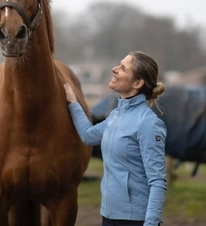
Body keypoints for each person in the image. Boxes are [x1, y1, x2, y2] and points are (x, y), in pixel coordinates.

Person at [64, 51, 167, 226]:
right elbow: (88, 136)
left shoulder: (148, 124)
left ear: (137, 83)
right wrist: (73, 103)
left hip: (135, 220)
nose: (114, 69)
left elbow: (158, 181)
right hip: (108, 215)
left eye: (123, 68)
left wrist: (150, 223)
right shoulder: (115, 116)